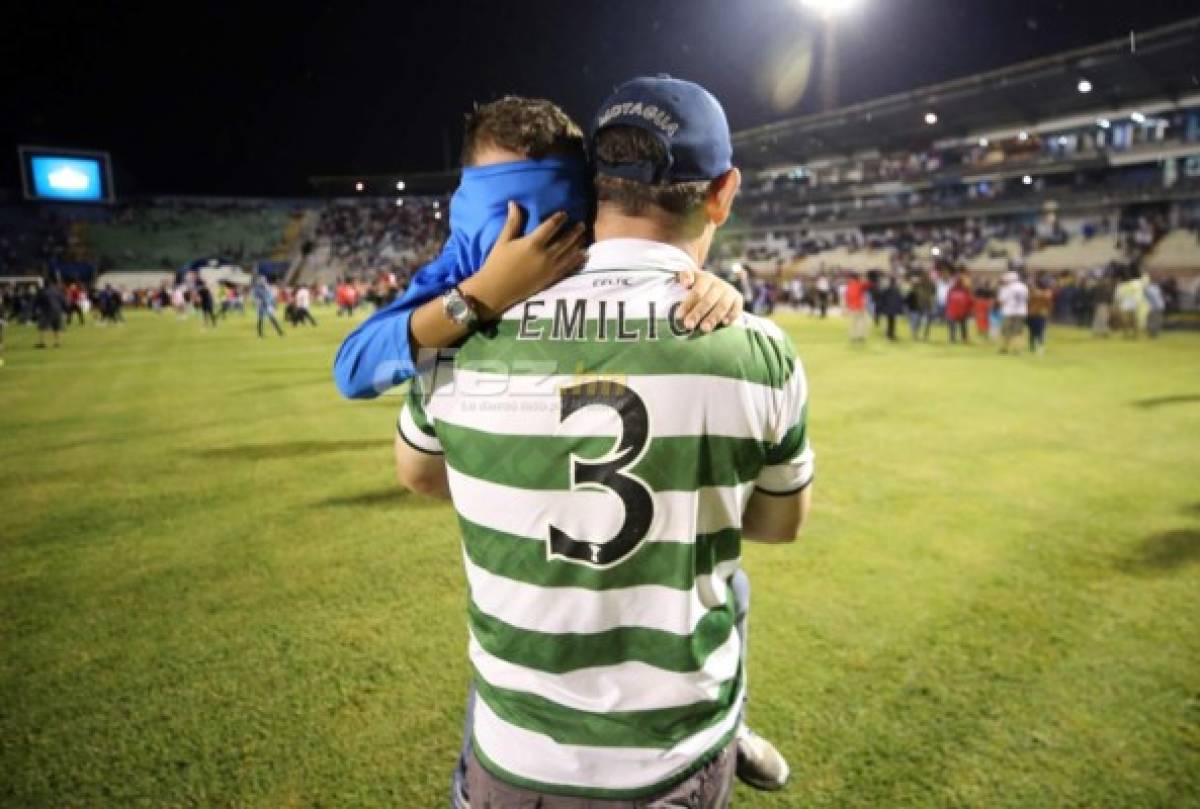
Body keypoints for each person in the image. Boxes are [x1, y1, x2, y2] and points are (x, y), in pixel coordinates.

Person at [395, 76, 812, 808]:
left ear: (592, 188)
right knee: (732, 586)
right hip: (670, 759)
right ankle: (733, 720)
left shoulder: (469, 326)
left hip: (514, 747)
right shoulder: (758, 350)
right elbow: (781, 523)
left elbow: (418, 474)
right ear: (723, 193)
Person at [333, 98, 743, 401]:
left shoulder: (599, 258)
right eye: (505, 213)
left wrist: (707, 287)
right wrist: (482, 294)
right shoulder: (458, 273)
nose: (529, 236)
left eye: (550, 212)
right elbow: (354, 371)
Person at [997, 270, 1029, 354]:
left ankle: (1004, 348)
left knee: (1006, 331)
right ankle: (1017, 349)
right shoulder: (1023, 287)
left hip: (1009, 312)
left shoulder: (1006, 288)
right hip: (1021, 311)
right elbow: (1027, 299)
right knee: (1018, 332)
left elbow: (1001, 301)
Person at [33, 280, 66, 348]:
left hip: (48, 310)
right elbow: (63, 301)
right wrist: (65, 309)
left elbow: (36, 301)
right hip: (58, 310)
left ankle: (42, 342)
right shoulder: (57, 291)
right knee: (56, 327)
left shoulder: (42, 292)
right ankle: (57, 342)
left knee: (42, 326)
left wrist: (35, 310)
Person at [1027, 275, 1053, 354]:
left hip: (1031, 314)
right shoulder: (1046, 294)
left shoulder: (1032, 293)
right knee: (1040, 331)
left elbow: (1028, 303)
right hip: (1041, 314)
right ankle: (1040, 347)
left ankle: (1032, 346)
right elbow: (1049, 305)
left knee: (1032, 331)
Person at [945, 274, 973, 344]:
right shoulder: (951, 290)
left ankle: (964, 338)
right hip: (953, 311)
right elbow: (948, 300)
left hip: (962, 312)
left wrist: (969, 310)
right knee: (953, 326)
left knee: (963, 326)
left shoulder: (965, 290)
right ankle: (952, 338)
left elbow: (969, 301)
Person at [845, 271, 868, 342]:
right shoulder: (860, 285)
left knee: (853, 323)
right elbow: (866, 287)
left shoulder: (850, 286)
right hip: (860, 305)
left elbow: (847, 297)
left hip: (853, 306)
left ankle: (853, 336)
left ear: (852, 278)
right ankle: (860, 336)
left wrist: (848, 305)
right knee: (861, 322)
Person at [1091, 272, 1114, 337]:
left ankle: (1097, 331)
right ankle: (1103, 332)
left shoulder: (1099, 288)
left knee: (1099, 318)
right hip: (1102, 304)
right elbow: (1108, 297)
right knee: (1103, 318)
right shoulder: (1104, 288)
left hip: (1101, 304)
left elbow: (1095, 297)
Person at [1144, 273, 1165, 338]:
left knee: (1154, 320)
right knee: (1155, 320)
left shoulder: (1152, 288)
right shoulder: (1153, 288)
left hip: (1155, 307)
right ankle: (1153, 333)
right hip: (1156, 306)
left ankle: (1153, 333)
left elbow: (1156, 297)